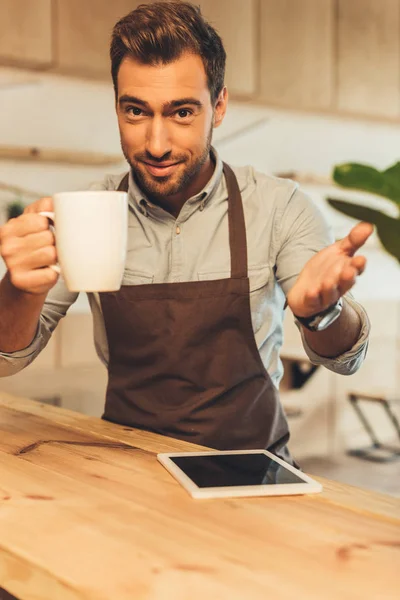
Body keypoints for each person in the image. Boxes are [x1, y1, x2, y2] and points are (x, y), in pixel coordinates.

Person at [0, 2, 371, 464]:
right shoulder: (84, 211)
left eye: (181, 113)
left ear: (218, 107)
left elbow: (345, 358)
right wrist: (18, 288)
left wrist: (323, 314)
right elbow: (6, 359)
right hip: (130, 469)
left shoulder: (278, 206)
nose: (156, 144)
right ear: (116, 106)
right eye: (136, 111)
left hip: (254, 469)